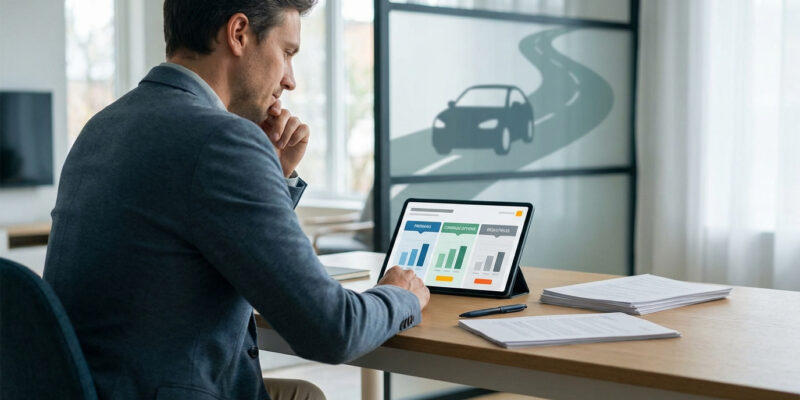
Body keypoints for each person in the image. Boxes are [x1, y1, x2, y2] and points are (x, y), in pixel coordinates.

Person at [42, 1, 430, 399]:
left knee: (304, 394)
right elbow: (331, 331)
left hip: (93, 386)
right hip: (166, 388)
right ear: (239, 33)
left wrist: (270, 174)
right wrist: (399, 294)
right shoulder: (220, 139)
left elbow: (190, 238)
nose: (290, 80)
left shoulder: (102, 125)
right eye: (288, 53)